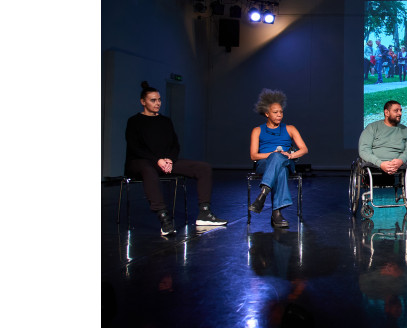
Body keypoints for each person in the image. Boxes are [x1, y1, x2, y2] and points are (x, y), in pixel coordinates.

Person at [125, 81, 226, 236]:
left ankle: (204, 214)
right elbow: (135, 147)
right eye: (153, 100)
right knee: (149, 170)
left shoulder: (165, 121)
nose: (157, 103)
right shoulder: (134, 121)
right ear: (143, 102)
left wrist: (170, 160)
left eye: (159, 100)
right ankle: (164, 218)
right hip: (140, 162)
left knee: (203, 167)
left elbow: (175, 144)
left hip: (164, 162)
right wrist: (157, 160)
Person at [248, 88, 308, 228]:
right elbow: (253, 155)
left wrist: (290, 155)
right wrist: (273, 154)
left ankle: (263, 195)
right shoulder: (257, 130)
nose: (279, 115)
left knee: (280, 162)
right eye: (275, 112)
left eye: (281, 112)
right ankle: (276, 213)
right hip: (265, 164)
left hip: (286, 161)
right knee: (279, 168)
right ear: (267, 114)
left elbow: (304, 149)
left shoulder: (290, 128)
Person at [358, 100, 407, 175]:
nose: (400, 113)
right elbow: (364, 150)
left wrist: (400, 161)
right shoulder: (372, 128)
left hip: (397, 164)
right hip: (374, 164)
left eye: (400, 110)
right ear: (387, 113)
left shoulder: (406, 131)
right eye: (396, 111)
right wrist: (380, 164)